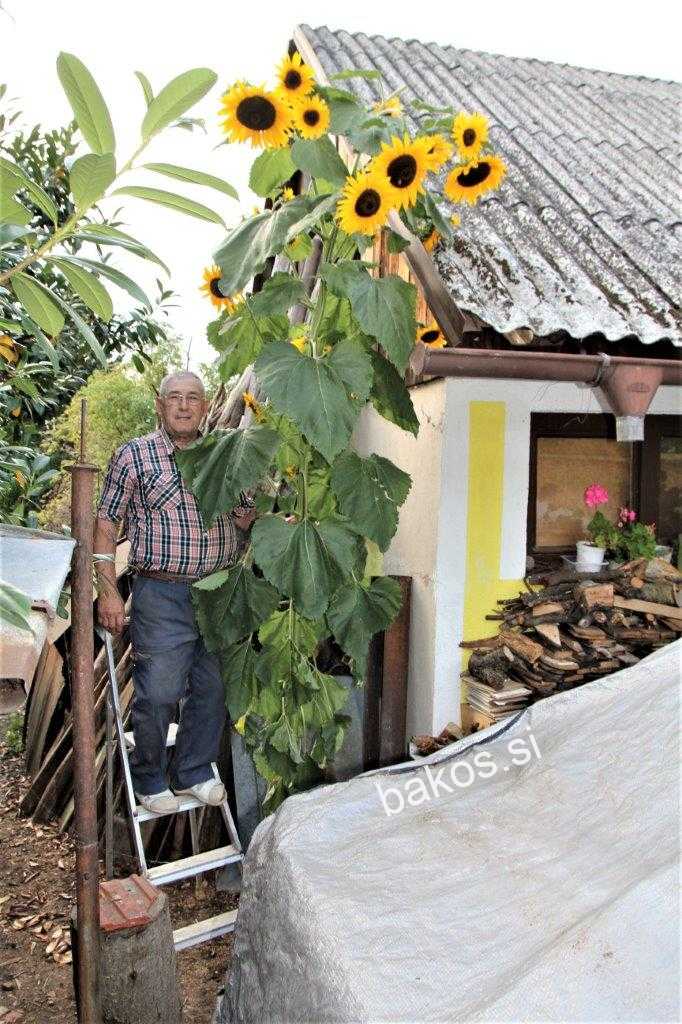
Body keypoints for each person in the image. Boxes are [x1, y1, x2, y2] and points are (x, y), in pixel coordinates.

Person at [94, 370, 256, 815]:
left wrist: (267, 516)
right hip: (161, 593)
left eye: (193, 398)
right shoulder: (135, 455)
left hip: (218, 591)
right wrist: (107, 590)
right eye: (175, 398)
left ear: (204, 406)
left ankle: (193, 771)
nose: (184, 406)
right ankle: (149, 778)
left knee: (213, 688)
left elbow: (244, 516)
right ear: (160, 404)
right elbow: (105, 524)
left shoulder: (224, 453)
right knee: (160, 691)